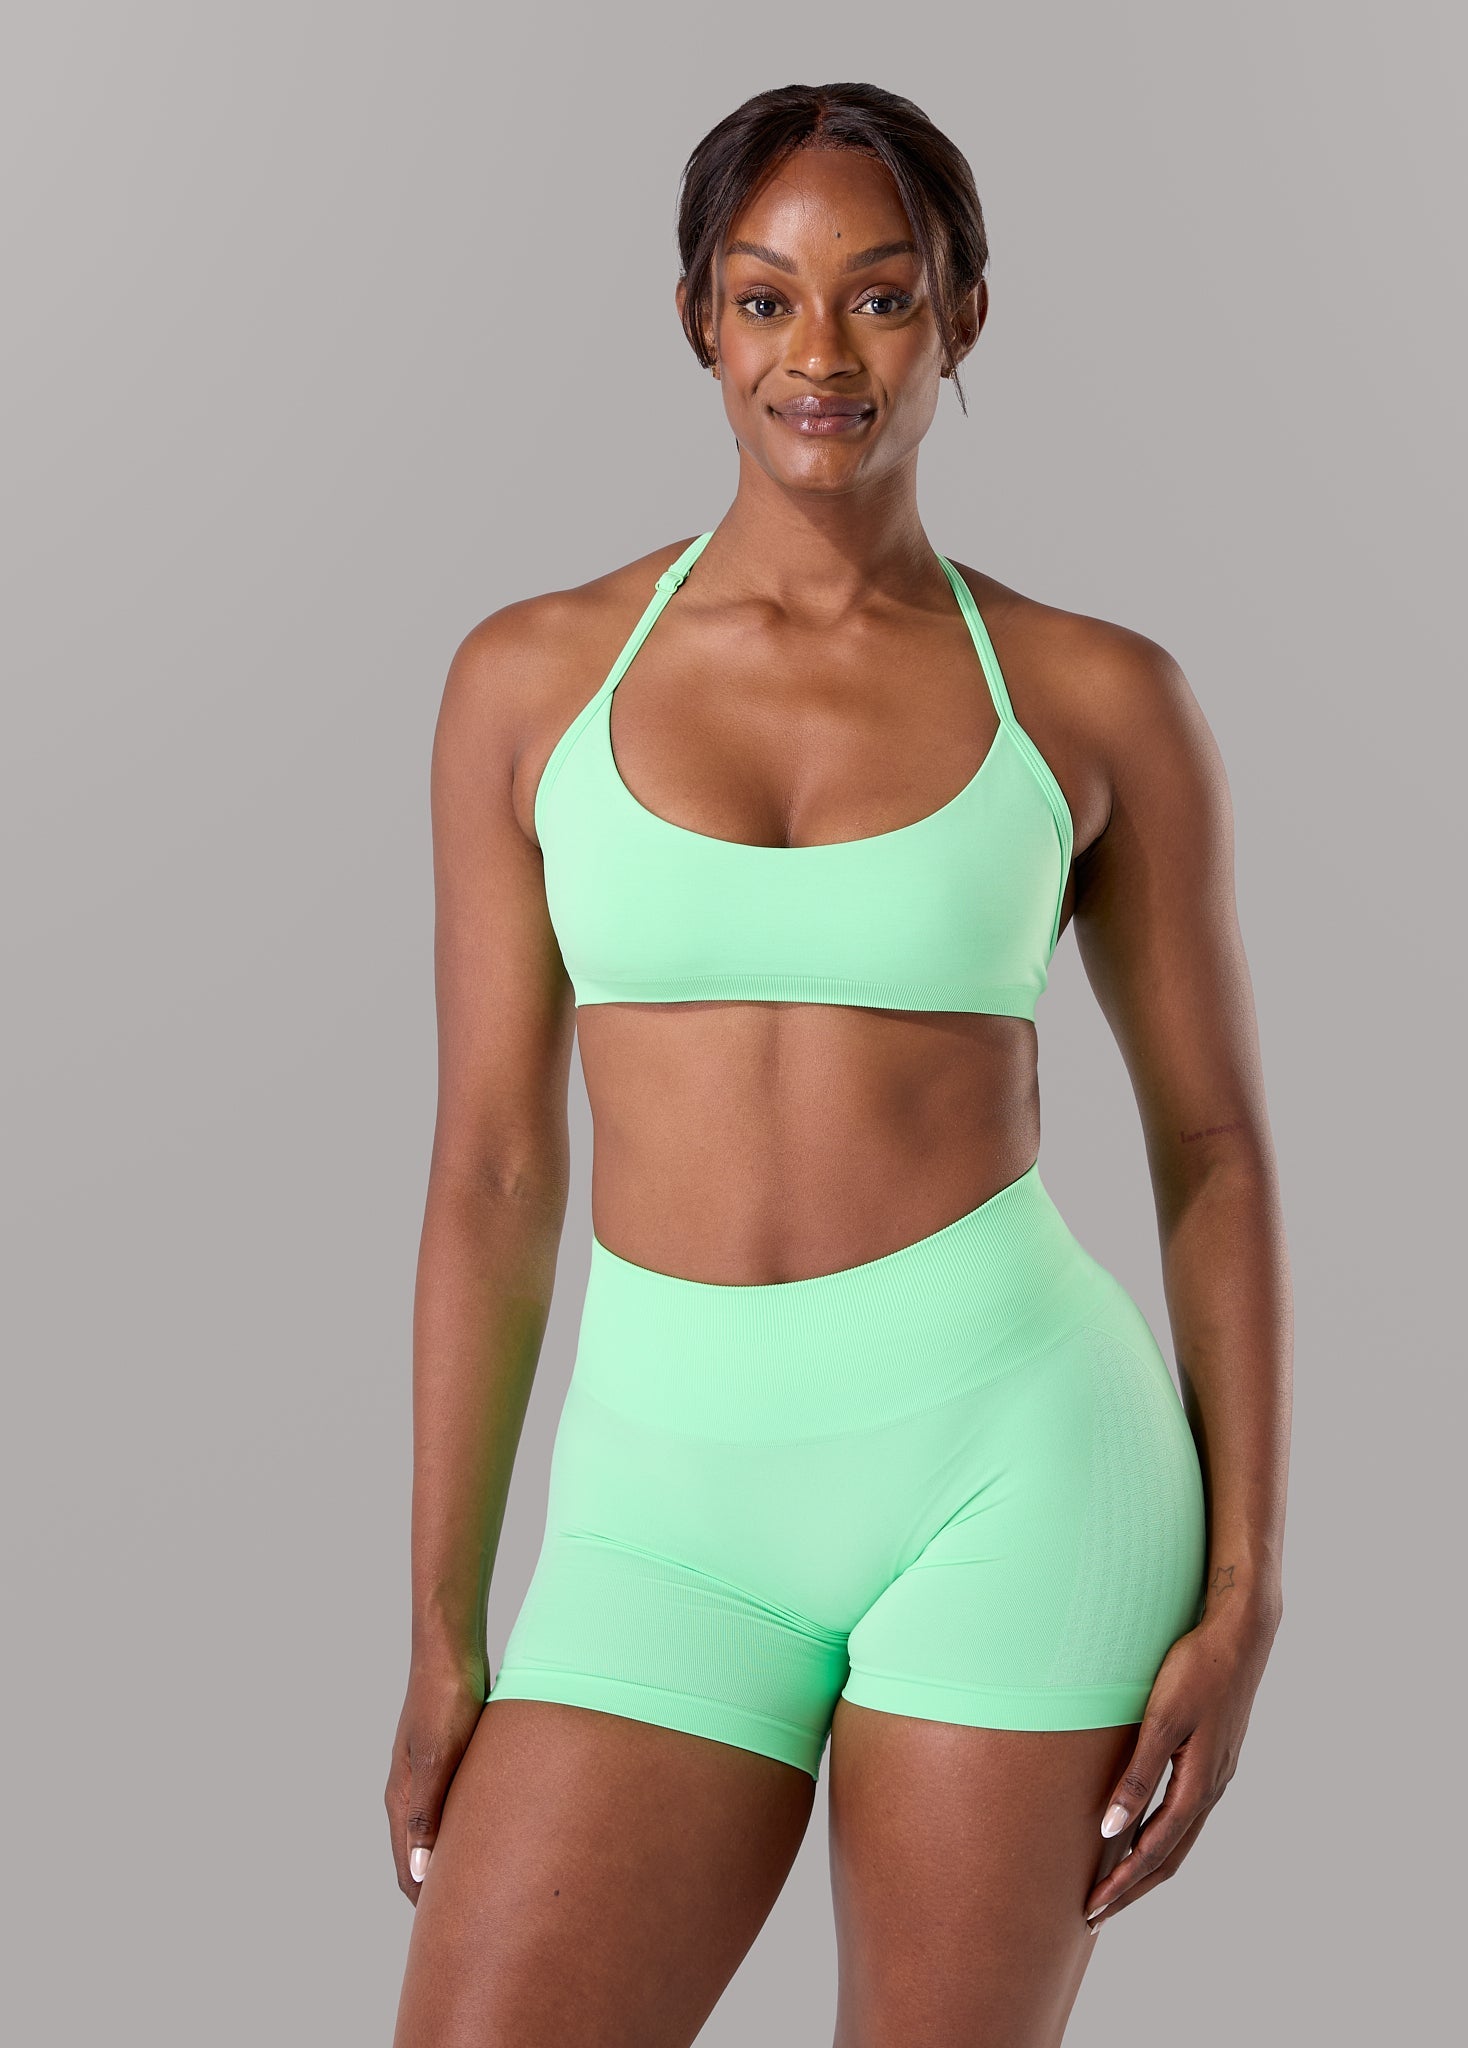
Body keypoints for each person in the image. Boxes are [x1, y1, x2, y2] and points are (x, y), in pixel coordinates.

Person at [388, 80, 1291, 2048]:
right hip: (659, 1503)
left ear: (963, 316)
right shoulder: (527, 681)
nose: (821, 353)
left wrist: (1245, 1585)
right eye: (765, 297)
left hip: (1014, 1470)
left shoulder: (1091, 694)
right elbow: (493, 1176)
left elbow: (1213, 1144)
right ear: (697, 321)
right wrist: (444, 1625)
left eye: (880, 296)